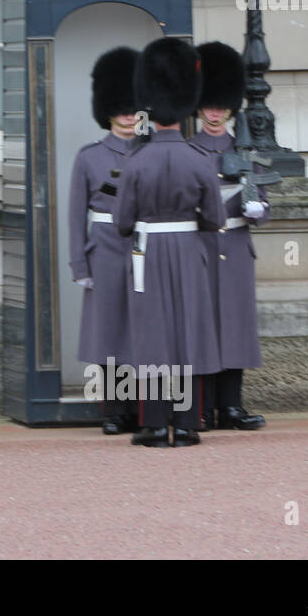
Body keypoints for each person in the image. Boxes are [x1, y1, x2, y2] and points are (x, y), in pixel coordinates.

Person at [114, 38, 224, 448]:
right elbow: (214, 219)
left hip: (147, 249)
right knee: (188, 332)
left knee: (153, 334)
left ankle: (155, 424)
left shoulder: (135, 161)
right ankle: (189, 422)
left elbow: (123, 222)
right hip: (188, 248)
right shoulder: (200, 160)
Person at [68, 46, 144, 434]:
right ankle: (113, 410)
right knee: (108, 330)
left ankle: (139, 408)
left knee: (139, 329)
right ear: (109, 111)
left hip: (143, 247)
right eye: (122, 109)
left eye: (133, 109)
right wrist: (79, 264)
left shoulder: (150, 152)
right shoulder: (89, 157)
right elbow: (74, 214)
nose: (129, 116)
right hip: (104, 248)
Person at [194, 42, 269, 431]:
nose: (215, 112)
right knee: (205, 326)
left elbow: (263, 200)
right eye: (209, 106)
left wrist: (259, 209)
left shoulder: (245, 148)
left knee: (235, 326)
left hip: (237, 248)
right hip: (202, 247)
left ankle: (233, 406)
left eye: (221, 106)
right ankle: (204, 408)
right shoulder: (190, 150)